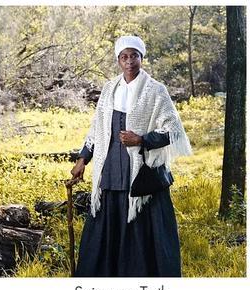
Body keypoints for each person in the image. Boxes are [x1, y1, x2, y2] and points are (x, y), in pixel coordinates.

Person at [71, 35, 191, 277]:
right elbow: (97, 128)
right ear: (118, 60)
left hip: (142, 178)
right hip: (111, 172)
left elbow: (173, 130)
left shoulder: (156, 91)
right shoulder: (108, 90)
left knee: (143, 231)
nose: (129, 62)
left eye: (134, 56)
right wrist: (83, 158)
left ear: (141, 58)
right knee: (106, 231)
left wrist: (141, 139)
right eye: (124, 57)